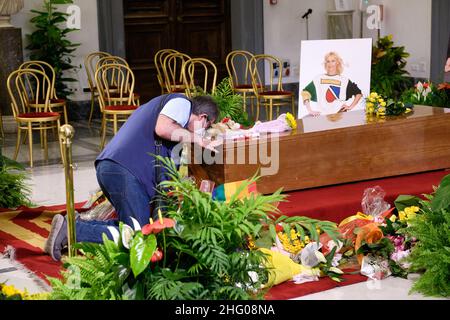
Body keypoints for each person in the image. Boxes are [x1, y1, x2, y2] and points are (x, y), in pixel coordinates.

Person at [44, 93, 220, 261]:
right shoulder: (182, 103)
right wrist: (197, 139)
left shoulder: (172, 119)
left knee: (139, 227)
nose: (203, 133)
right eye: (208, 126)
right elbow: (162, 128)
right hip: (123, 171)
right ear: (203, 117)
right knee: (140, 236)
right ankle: (74, 229)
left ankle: (76, 225)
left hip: (116, 169)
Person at [301, 51, 363, 116]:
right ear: (326, 63)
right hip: (322, 116)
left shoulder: (344, 80)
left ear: (337, 63)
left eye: (333, 61)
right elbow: (305, 92)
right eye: (328, 61)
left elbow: (358, 93)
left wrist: (350, 107)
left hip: (339, 116)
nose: (330, 64)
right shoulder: (318, 78)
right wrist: (310, 110)